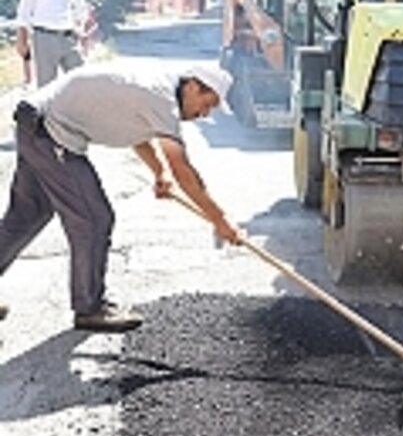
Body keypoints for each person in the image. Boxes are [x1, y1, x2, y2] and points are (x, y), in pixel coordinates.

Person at [0, 62, 242, 331]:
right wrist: (220, 220)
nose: (205, 113)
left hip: (35, 122)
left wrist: (159, 173)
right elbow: (183, 170)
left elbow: (137, 133)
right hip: (50, 131)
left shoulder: (159, 90)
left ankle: (89, 304)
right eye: (207, 104)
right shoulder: (162, 99)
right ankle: (90, 309)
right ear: (194, 85)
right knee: (93, 219)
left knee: (26, 216)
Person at [15, 0, 90, 87]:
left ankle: (73, 110)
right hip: (44, 37)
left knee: (80, 81)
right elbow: (24, 12)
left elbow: (81, 10)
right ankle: (48, 111)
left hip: (68, 38)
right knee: (47, 87)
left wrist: (80, 29)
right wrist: (22, 39)